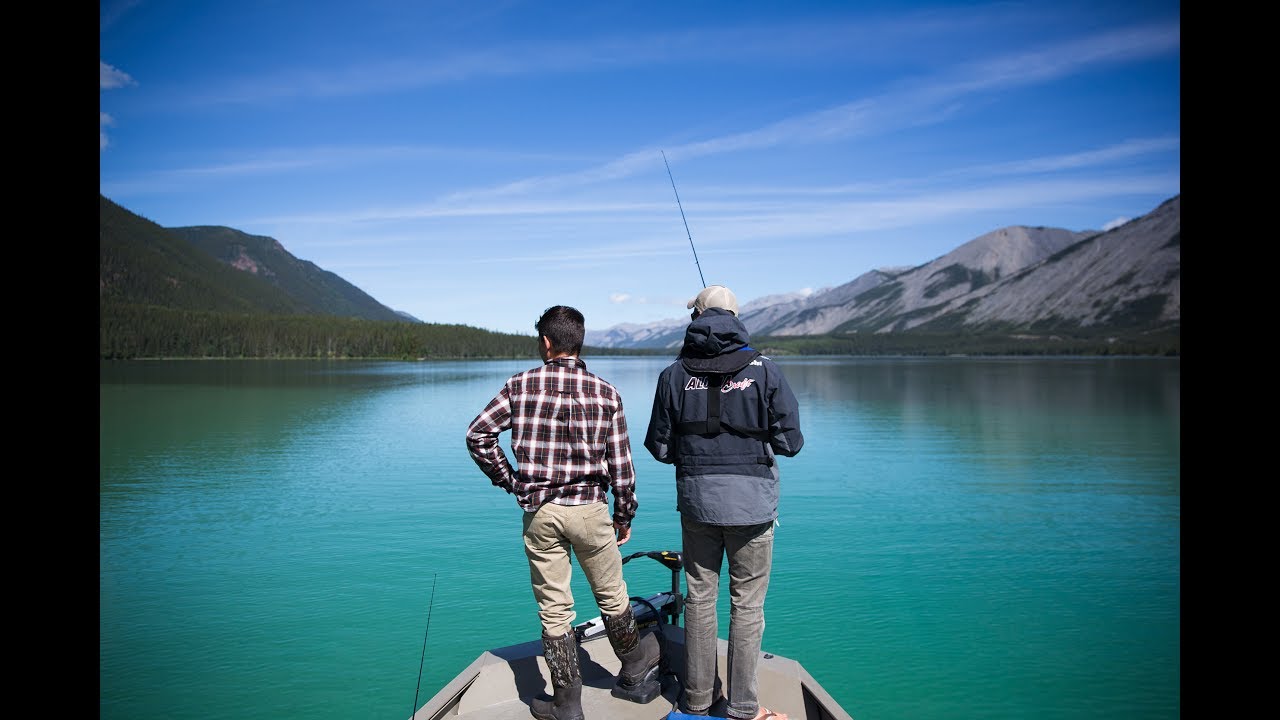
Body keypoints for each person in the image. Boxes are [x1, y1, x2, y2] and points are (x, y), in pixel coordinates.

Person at [465, 305, 662, 720]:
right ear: (579, 341)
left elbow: (478, 434)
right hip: (591, 510)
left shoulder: (519, 385)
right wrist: (623, 515)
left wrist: (512, 480)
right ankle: (632, 671)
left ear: (547, 342)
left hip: (541, 512)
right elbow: (622, 467)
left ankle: (566, 704)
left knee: (555, 607)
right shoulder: (607, 393)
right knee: (613, 594)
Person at [644, 285, 804, 720]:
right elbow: (791, 443)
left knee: (699, 599)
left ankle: (696, 700)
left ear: (694, 317)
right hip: (753, 506)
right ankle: (743, 706)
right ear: (736, 317)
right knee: (747, 605)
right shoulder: (766, 371)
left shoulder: (672, 374)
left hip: (698, 505)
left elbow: (659, 448)